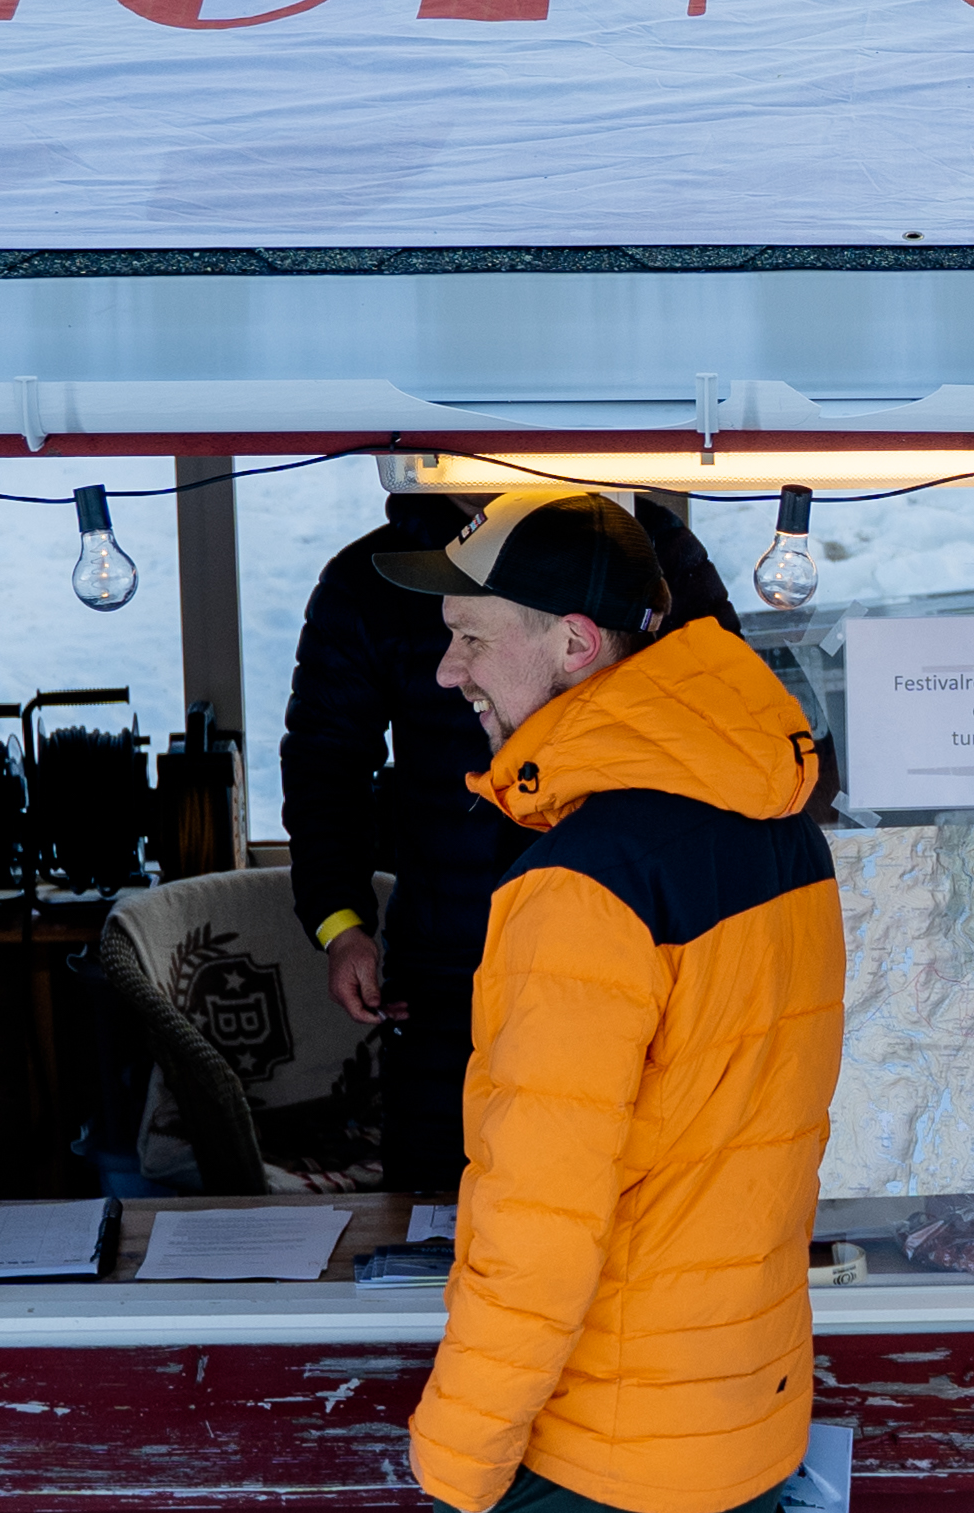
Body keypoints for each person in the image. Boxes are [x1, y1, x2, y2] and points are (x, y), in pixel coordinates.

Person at [383, 484, 881, 1513]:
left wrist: (462, 1462)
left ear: (578, 644)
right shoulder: (773, 817)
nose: (448, 671)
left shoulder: (579, 880)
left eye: (474, 638)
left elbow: (537, 1212)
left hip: (583, 1465)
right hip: (729, 1432)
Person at [286, 487, 735, 1195]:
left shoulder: (642, 547)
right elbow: (322, 764)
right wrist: (339, 921)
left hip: (629, 953)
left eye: (470, 641)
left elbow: (718, 713)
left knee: (618, 1190)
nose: (449, 670)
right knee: (442, 1205)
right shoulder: (374, 578)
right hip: (447, 968)